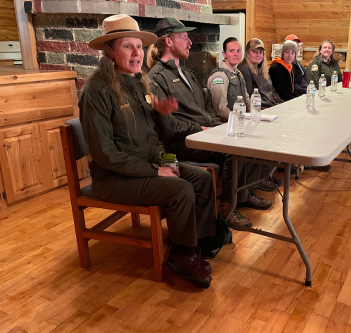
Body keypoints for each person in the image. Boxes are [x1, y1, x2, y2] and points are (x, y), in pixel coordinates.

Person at [80, 14, 215, 289]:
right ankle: (182, 255)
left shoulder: (140, 82)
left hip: (147, 165)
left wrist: (163, 114)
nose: (136, 53)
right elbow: (105, 154)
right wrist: (156, 171)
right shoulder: (96, 91)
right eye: (127, 46)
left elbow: (161, 133)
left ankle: (195, 246)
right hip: (114, 178)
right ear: (109, 51)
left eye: (139, 47)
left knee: (201, 179)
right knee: (180, 189)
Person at [147, 18, 273, 227]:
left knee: (249, 139)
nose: (189, 42)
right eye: (184, 37)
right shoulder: (157, 77)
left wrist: (218, 125)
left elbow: (206, 108)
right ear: (169, 42)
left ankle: (243, 194)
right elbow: (167, 126)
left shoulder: (187, 73)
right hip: (183, 141)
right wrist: (200, 128)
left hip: (203, 133)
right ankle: (228, 208)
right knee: (232, 151)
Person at [207, 37, 282, 192]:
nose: (236, 54)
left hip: (240, 122)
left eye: (238, 50)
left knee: (266, 132)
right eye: (231, 51)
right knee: (256, 139)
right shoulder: (219, 77)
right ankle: (246, 190)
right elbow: (220, 110)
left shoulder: (238, 74)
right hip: (225, 126)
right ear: (224, 54)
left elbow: (248, 100)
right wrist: (243, 120)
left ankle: (256, 182)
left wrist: (254, 116)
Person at [238, 38, 284, 108]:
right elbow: (248, 97)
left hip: (273, 106)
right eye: (254, 52)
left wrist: (280, 103)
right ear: (247, 52)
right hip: (262, 109)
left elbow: (272, 91)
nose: (258, 55)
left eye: (260, 52)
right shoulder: (244, 69)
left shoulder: (263, 69)